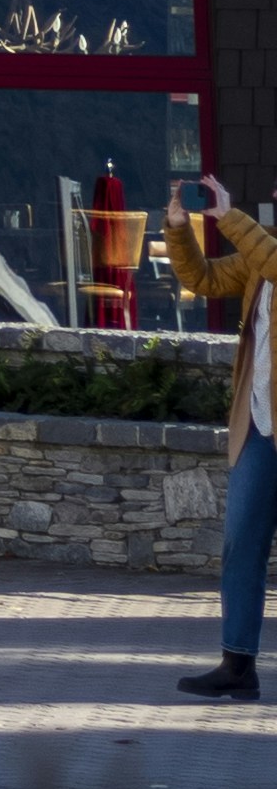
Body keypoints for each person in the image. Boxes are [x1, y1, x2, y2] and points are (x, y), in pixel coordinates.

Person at [162, 187, 277, 704]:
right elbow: (203, 279)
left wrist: (231, 218)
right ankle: (238, 664)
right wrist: (179, 231)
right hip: (259, 426)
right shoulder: (261, 252)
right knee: (240, 544)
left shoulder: (265, 252)